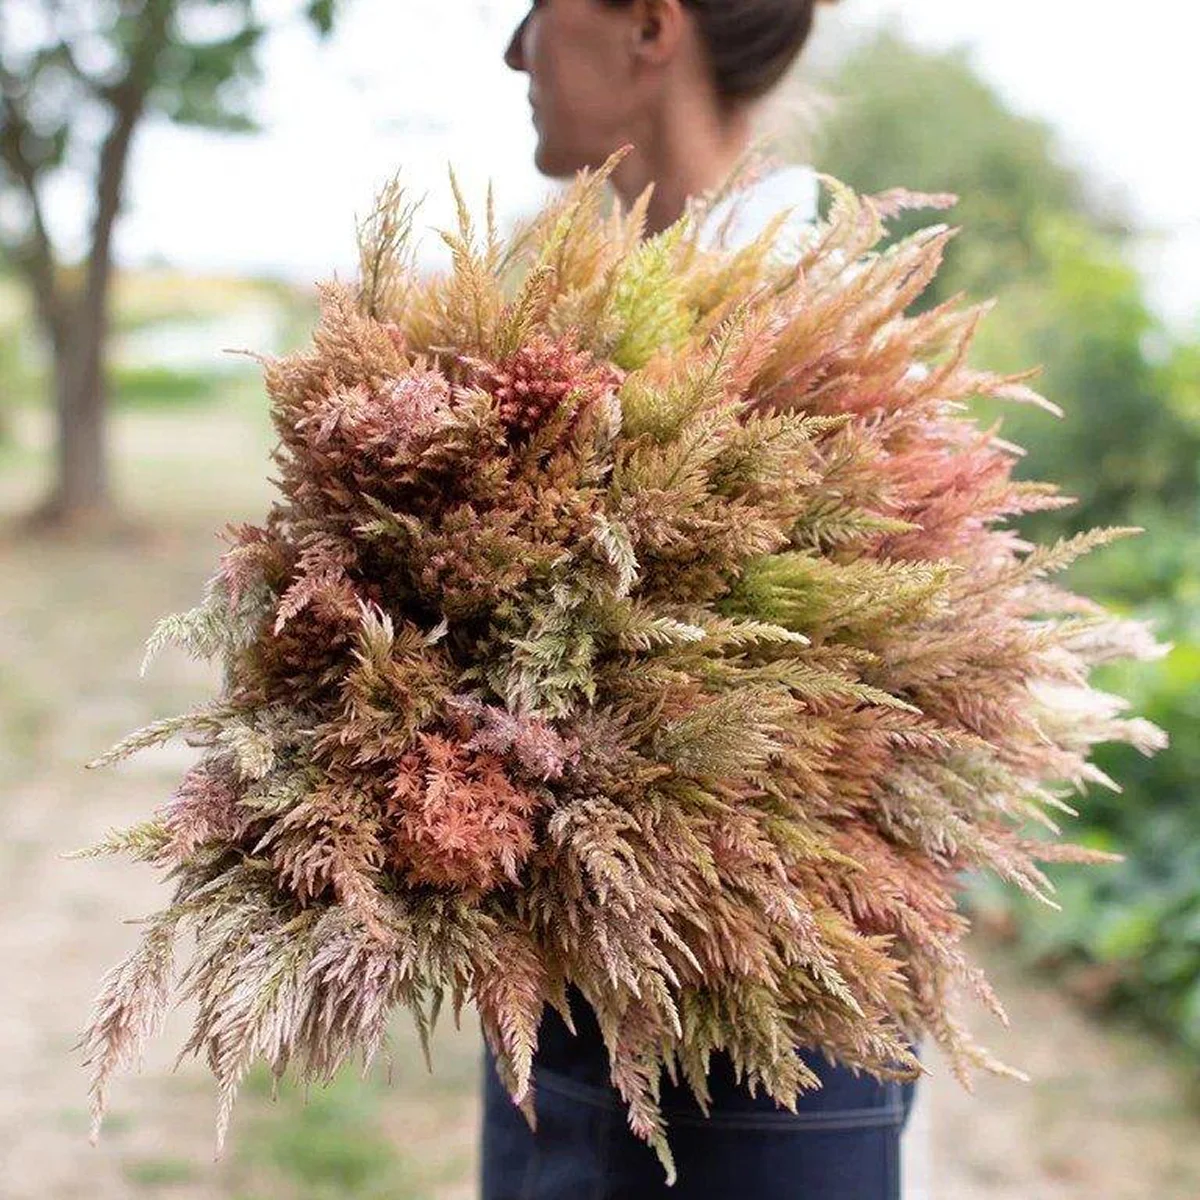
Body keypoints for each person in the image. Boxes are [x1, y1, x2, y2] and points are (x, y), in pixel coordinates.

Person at [483, 3, 919, 1197]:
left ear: (647, 26)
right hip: (565, 1036)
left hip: (759, 1076)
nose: (512, 50)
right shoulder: (575, 320)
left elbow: (879, 754)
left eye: (534, 6)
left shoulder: (822, 341)